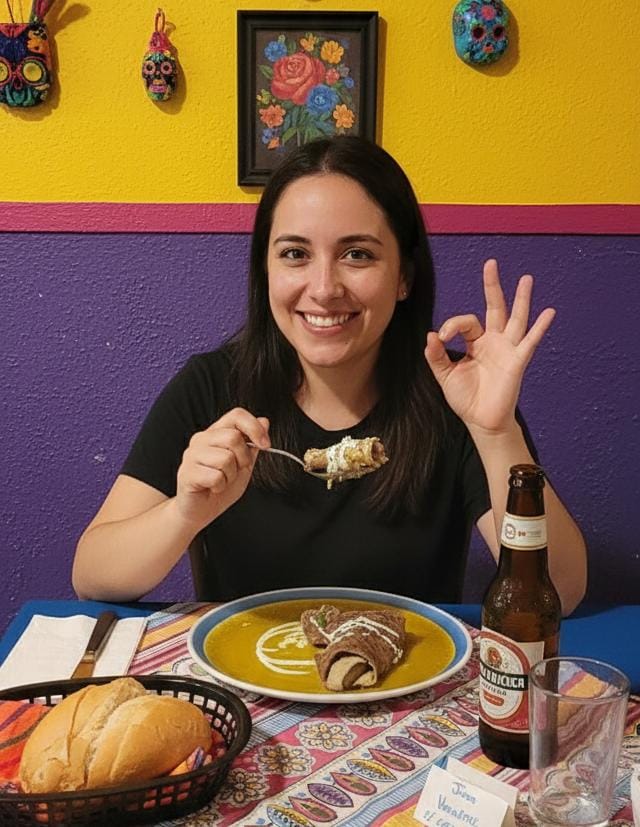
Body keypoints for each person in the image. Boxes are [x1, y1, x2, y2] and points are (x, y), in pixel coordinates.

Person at [72, 136, 587, 615]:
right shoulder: (211, 387)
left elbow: (560, 590)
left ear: (404, 276)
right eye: (295, 254)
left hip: (410, 694)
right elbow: (92, 575)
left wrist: (496, 434)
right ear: (266, 269)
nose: (323, 288)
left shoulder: (455, 395)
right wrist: (184, 513)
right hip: (247, 690)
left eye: (357, 254)